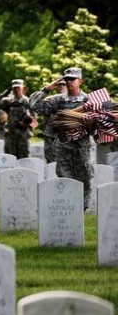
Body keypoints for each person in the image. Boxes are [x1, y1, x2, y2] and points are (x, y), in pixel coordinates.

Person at [30, 67, 94, 209]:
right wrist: (47, 89)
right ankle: (69, 208)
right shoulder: (57, 100)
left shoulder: (89, 100)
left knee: (84, 175)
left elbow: (97, 127)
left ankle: (82, 208)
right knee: (64, 175)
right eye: (66, 79)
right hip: (63, 145)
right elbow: (35, 106)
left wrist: (90, 126)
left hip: (81, 145)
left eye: (72, 79)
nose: (69, 81)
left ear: (80, 81)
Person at [0, 79, 33, 158]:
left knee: (24, 159)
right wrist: (3, 94)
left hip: (23, 136)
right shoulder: (7, 101)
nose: (16, 90)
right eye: (14, 88)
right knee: (10, 159)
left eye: (18, 88)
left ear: (23, 88)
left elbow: (34, 119)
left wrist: (26, 122)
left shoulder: (28, 102)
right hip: (10, 136)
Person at [42, 80, 68, 163]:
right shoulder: (49, 100)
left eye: (63, 84)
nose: (61, 86)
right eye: (59, 85)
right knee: (51, 159)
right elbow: (40, 109)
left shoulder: (75, 99)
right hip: (51, 134)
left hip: (67, 134)